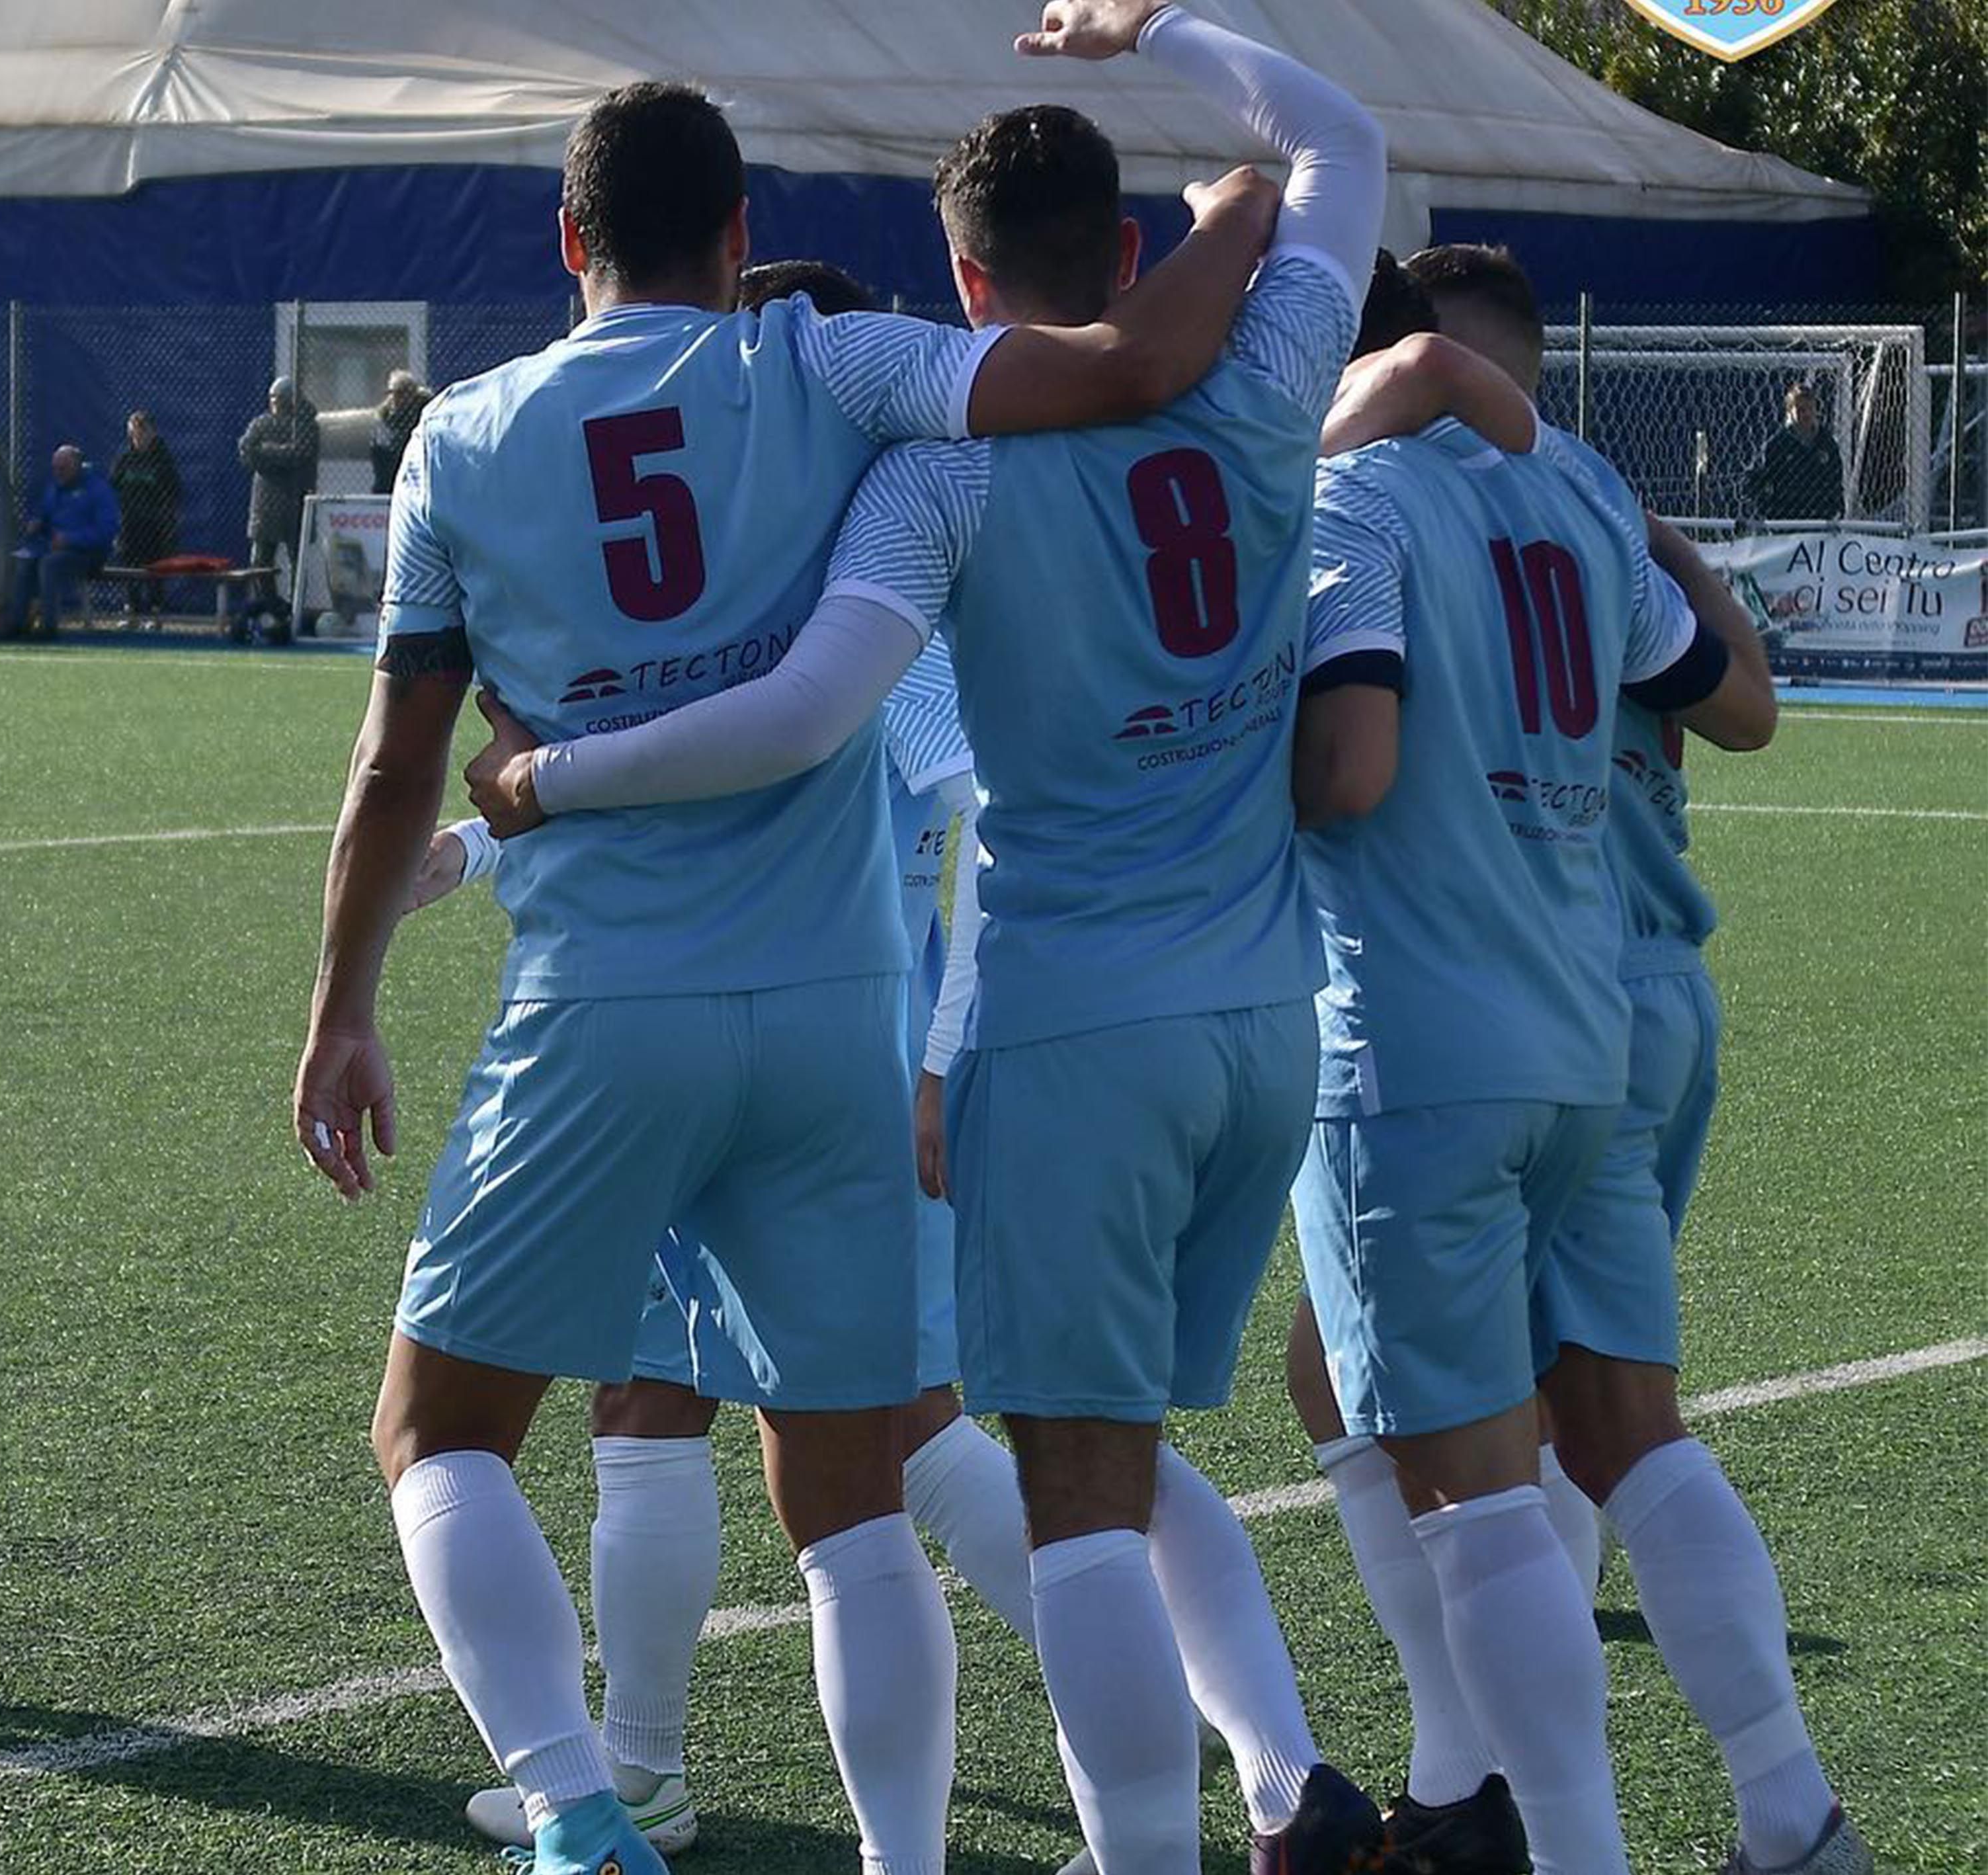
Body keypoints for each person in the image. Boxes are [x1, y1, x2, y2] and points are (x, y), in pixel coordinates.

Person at [460, 8, 1454, 1863]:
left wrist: (541, 781)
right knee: (1103, 1464)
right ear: (1125, 248)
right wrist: (1157, 36)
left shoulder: (942, 471)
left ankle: (1164, 1837)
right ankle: (1284, 1773)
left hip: (1067, 1025)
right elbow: (1341, 143)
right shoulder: (1266, 386)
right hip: (1267, 1011)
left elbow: (803, 714)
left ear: (965, 288)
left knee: (1075, 1501)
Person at [292, 42, 1285, 1874]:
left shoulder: (465, 435)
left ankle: (581, 1807)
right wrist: (1251, 202)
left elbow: (395, 755)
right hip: (840, 1016)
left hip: (602, 1005)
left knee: (437, 1432)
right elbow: (1126, 365)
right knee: (852, 1506)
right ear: (740, 231)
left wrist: (343, 1002)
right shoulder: (830, 363)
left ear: (565, 240)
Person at [1289, 247, 1862, 1875]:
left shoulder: (1346, 499)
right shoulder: (1580, 496)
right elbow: (1731, 700)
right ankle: (1785, 1811)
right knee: (1620, 1428)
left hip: (1424, 1024)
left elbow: (1348, 766)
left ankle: (1498, 1808)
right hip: (1583, 1019)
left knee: (1478, 1488)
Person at [4, 443, 116, 638]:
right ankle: (17, 625)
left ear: (77, 466)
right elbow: (44, 515)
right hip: (53, 548)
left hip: (89, 555)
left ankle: (49, 628)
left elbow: (106, 532)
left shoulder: (98, 490)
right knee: (24, 562)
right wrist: (37, 524)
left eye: (63, 468)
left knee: (49, 564)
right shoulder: (54, 488)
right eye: (56, 468)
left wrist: (71, 540)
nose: (58, 472)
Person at [238, 377, 320, 605]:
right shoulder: (261, 423)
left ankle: (296, 609)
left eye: (281, 398)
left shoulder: (306, 424)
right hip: (265, 501)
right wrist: (278, 454)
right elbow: (246, 452)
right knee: (260, 560)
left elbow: (298, 454)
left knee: (298, 559)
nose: (275, 402)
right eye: (272, 397)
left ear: (292, 400)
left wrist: (265, 451)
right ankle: (272, 606)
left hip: (296, 498)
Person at [110, 409, 183, 620]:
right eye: (135, 432)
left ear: (153, 433)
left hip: (155, 525)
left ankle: (155, 611)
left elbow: (174, 491)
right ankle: (132, 609)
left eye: (144, 432)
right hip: (130, 523)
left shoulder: (163, 459)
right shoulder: (124, 458)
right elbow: (113, 485)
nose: (139, 437)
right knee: (129, 564)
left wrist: (164, 515)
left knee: (155, 567)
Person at [1743, 380, 1843, 526]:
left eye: (1810, 408)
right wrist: (1770, 511)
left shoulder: (1827, 443)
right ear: (1790, 412)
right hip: (1787, 523)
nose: (1806, 414)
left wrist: (1836, 509)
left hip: (1821, 521)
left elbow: (1836, 480)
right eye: (1801, 410)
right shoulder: (1778, 445)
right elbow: (1758, 481)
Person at [370, 369, 429, 493]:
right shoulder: (385, 412)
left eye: (401, 393)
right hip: (393, 453)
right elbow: (382, 439)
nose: (396, 398)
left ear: (411, 394)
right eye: (392, 393)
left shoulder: (425, 406)